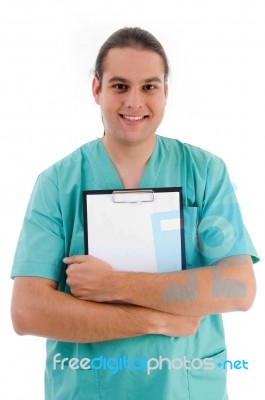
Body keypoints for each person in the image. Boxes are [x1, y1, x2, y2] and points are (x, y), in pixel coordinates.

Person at [11, 27, 259, 400]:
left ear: (165, 91)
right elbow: (28, 311)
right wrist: (155, 319)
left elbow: (238, 287)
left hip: (185, 386)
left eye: (149, 87)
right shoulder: (57, 183)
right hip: (90, 386)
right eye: (120, 86)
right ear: (97, 89)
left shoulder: (205, 172)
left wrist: (114, 285)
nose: (134, 102)